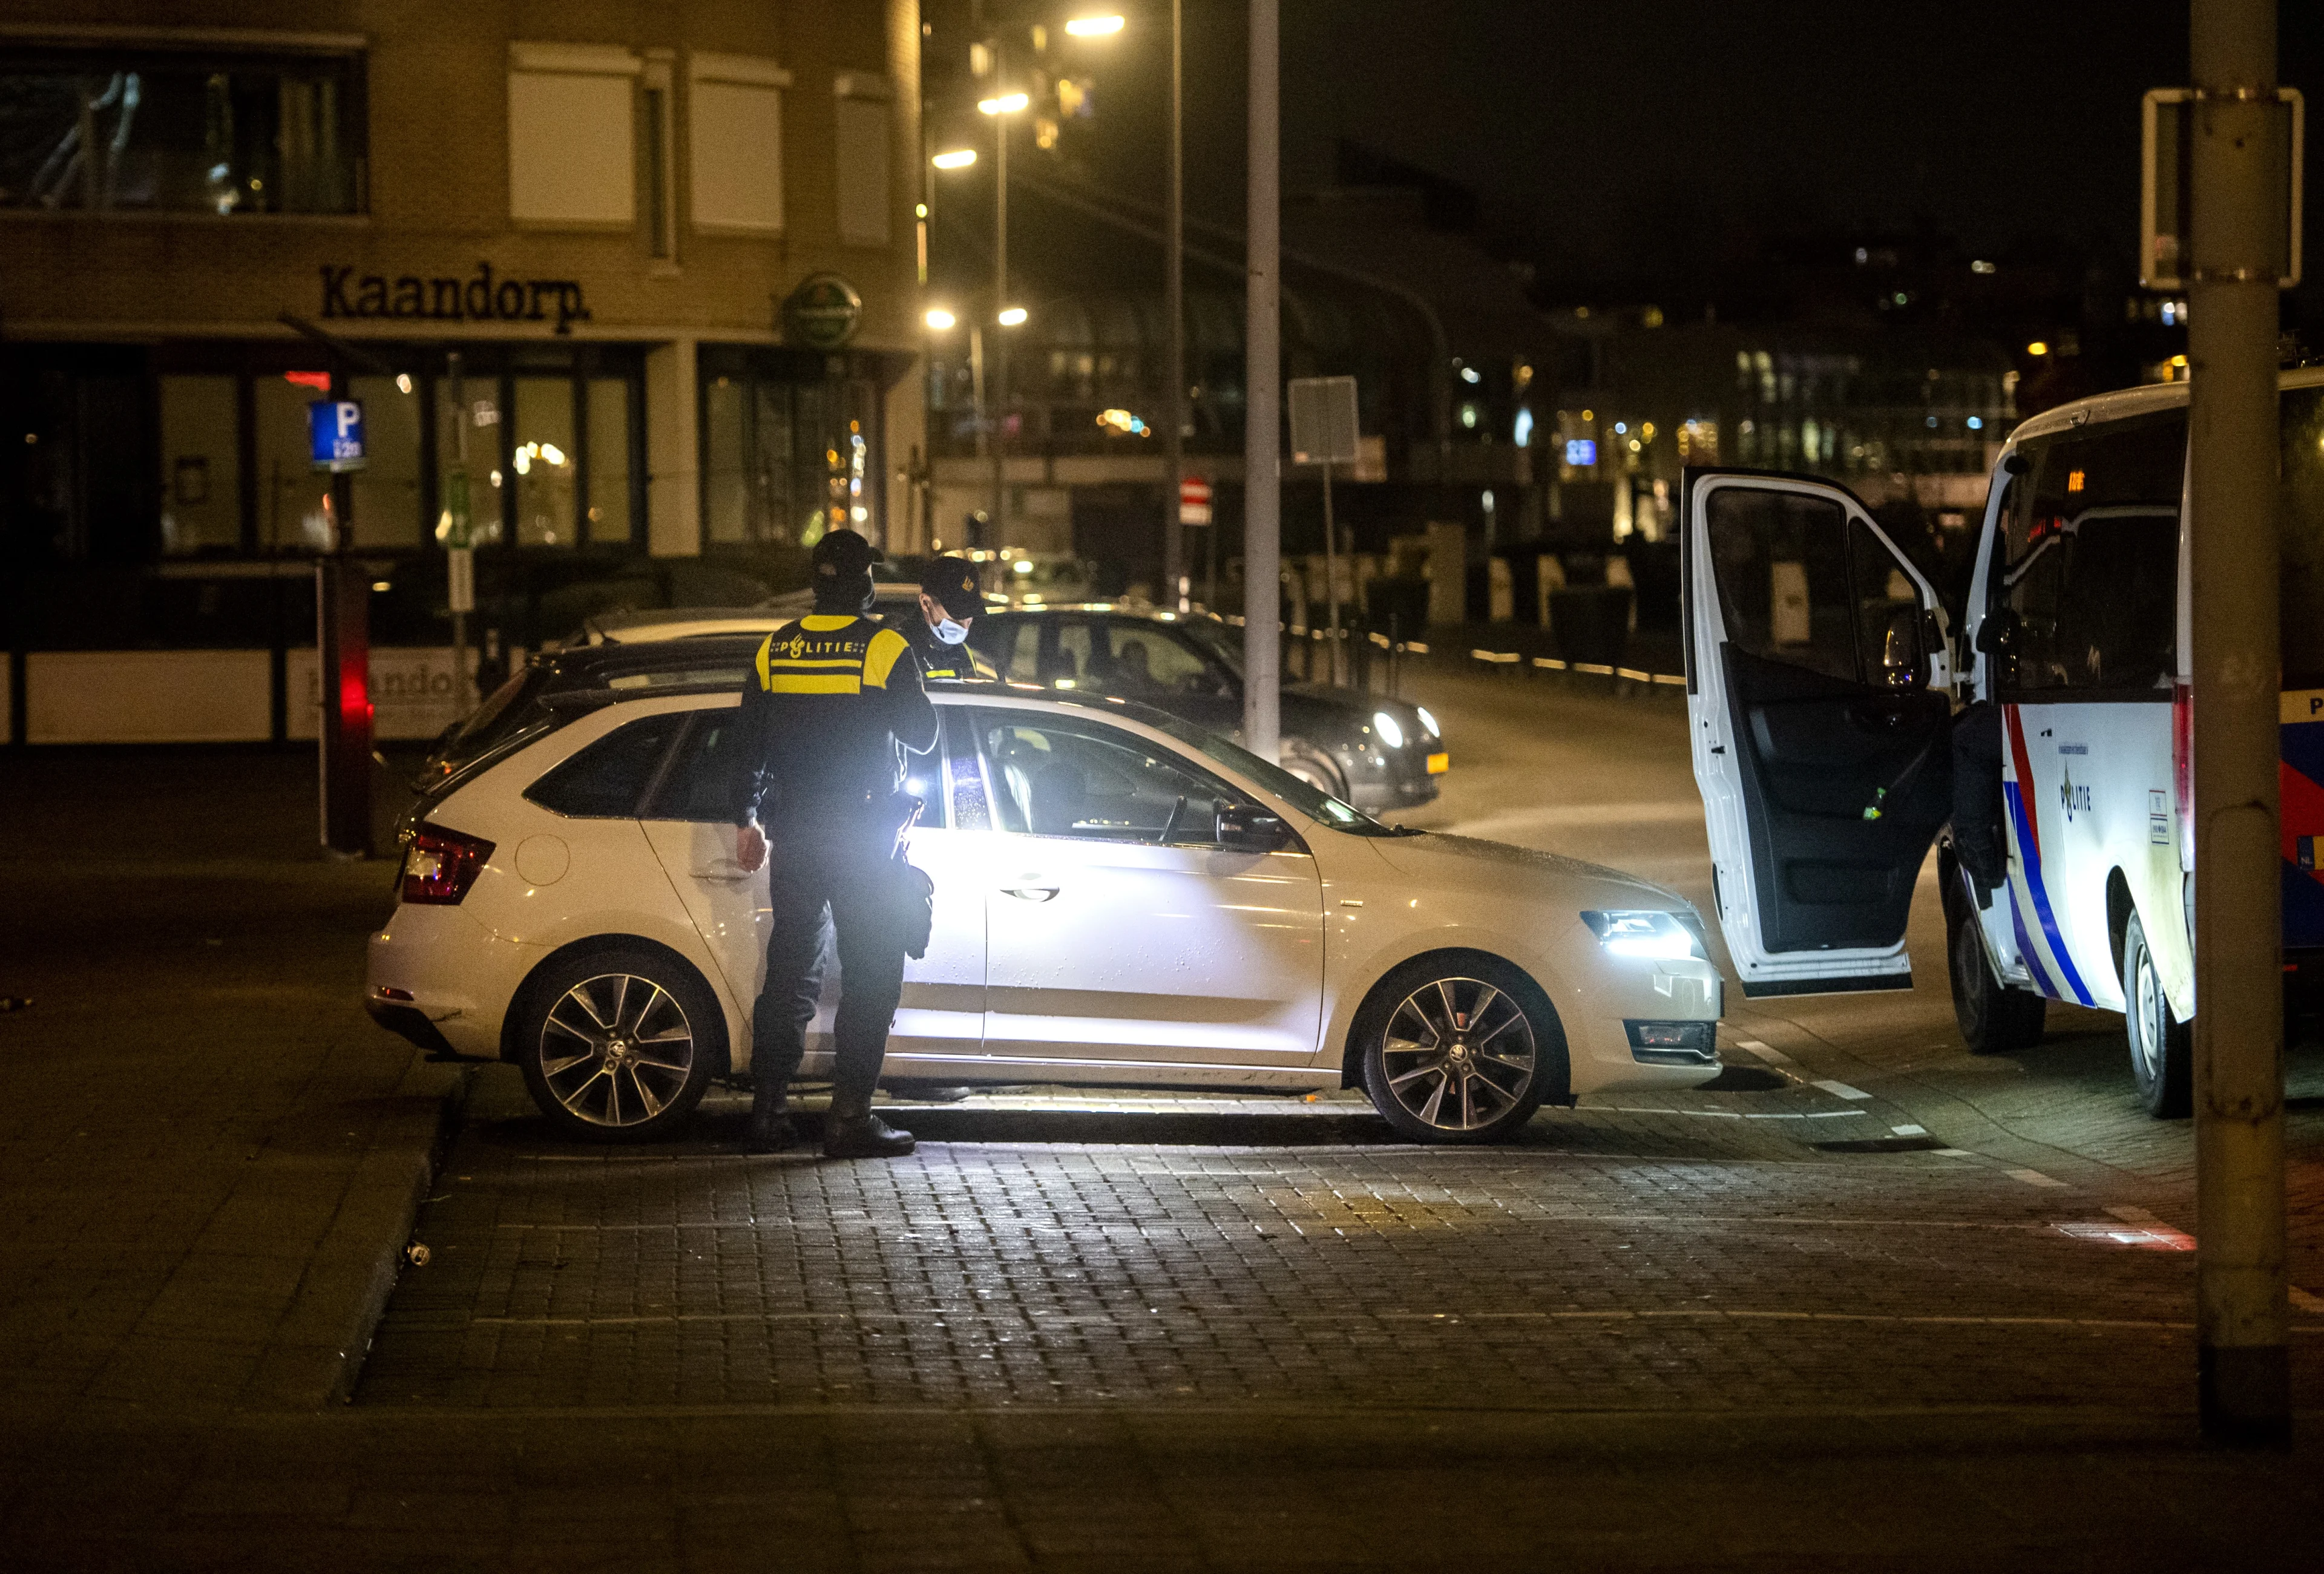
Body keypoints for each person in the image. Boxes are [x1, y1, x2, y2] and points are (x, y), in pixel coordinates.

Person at [729, 529, 938, 1158]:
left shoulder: (777, 648)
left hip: (795, 831)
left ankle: (767, 1116)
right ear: (863, 582)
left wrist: (746, 819)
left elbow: (747, 741)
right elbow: (923, 734)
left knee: (791, 972)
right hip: (864, 836)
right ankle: (849, 1120)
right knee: (872, 973)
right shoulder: (885, 646)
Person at [899, 554, 984, 680]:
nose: (964, 627)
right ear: (925, 603)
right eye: (957, 615)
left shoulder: (963, 652)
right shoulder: (896, 649)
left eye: (969, 615)